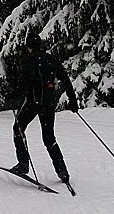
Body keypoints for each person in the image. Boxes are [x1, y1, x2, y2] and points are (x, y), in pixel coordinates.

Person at [10, 31, 79, 183]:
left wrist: (15, 96)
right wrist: (72, 100)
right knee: (49, 138)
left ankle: (23, 165)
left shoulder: (29, 59)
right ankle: (62, 171)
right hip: (48, 104)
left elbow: (26, 81)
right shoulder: (51, 59)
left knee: (18, 129)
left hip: (34, 103)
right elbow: (65, 79)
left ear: (29, 46)